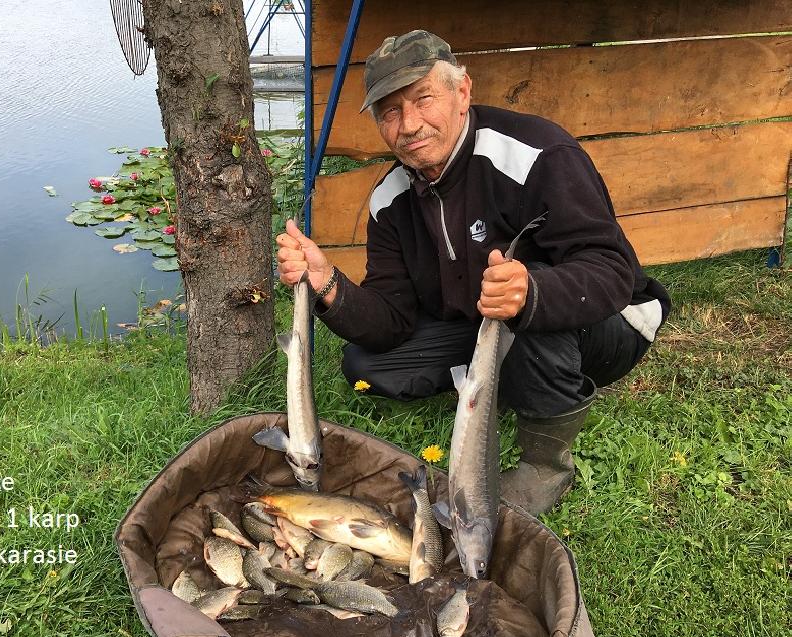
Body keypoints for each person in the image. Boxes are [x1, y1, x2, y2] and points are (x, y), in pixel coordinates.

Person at [275, 29, 671, 516]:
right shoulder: (389, 199)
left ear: (462, 92)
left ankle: (545, 465)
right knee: (366, 365)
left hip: (609, 325)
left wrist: (531, 291)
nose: (410, 125)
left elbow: (611, 270)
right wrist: (328, 284)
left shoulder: (537, 154)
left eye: (423, 99)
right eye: (390, 112)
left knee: (525, 297)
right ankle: (497, 378)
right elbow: (391, 319)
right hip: (481, 324)